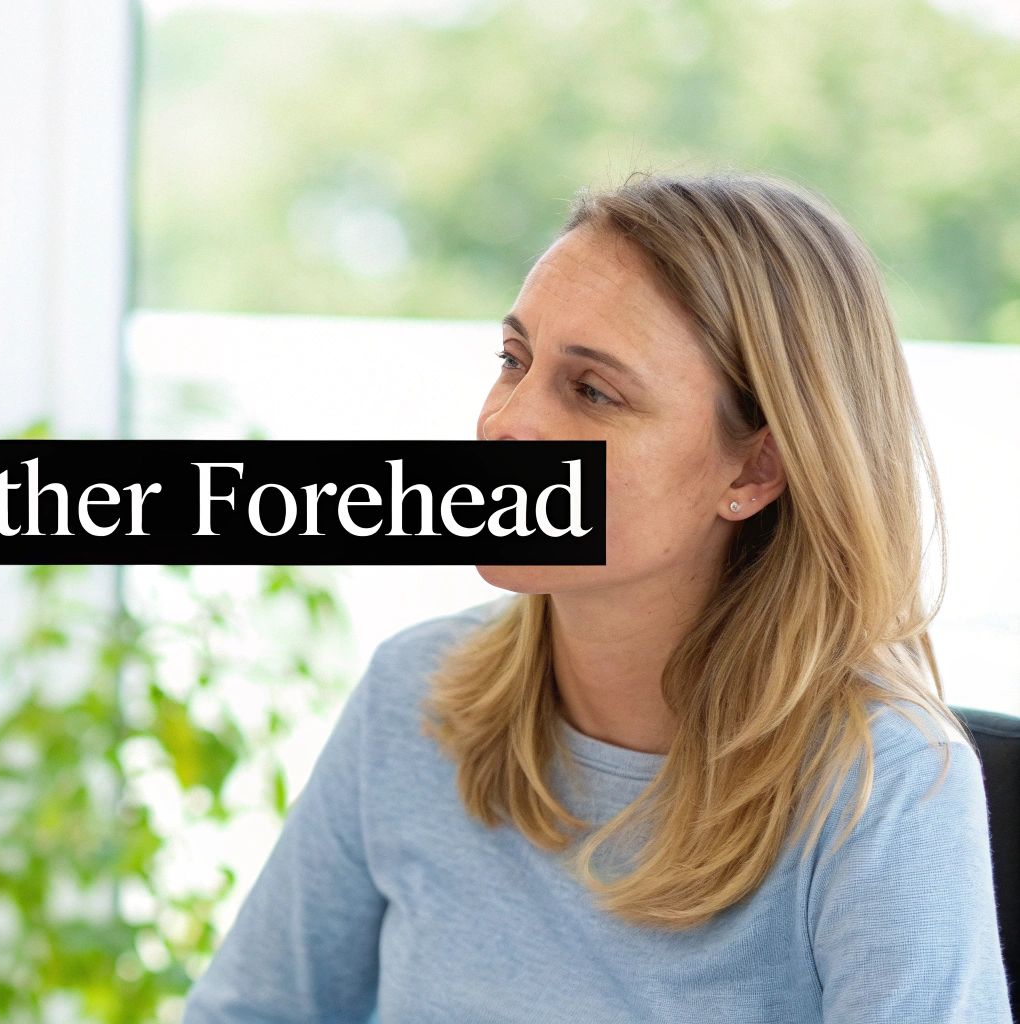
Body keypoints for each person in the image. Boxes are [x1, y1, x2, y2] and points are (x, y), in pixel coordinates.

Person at [183, 174, 1012, 1022]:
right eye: (514, 360)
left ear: (754, 469)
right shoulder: (415, 693)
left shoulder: (883, 787)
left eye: (591, 392)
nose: (504, 421)